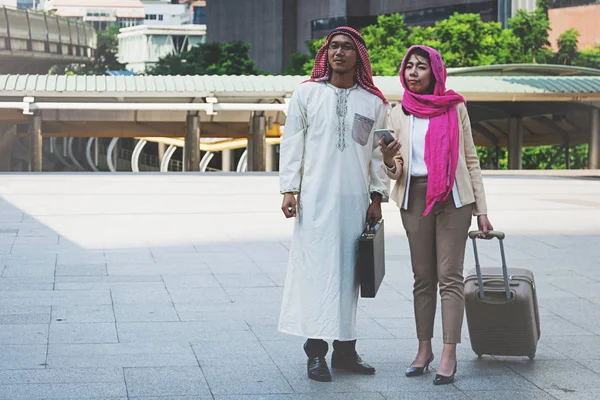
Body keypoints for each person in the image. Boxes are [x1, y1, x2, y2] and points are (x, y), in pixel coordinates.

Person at [278, 26, 390, 383]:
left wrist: (377, 197)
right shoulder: (307, 94)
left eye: (346, 47)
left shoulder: (374, 103)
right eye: (333, 47)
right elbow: (292, 143)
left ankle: (345, 351)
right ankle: (316, 354)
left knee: (349, 276)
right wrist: (289, 189)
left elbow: (376, 154)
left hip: (355, 203)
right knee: (316, 275)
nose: (338, 52)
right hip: (314, 200)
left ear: (359, 56)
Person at [380, 45, 494, 385]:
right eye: (409, 66)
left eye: (421, 67)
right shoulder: (398, 112)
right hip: (413, 196)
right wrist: (388, 158)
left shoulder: (454, 106)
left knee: (450, 276)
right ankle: (423, 349)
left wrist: (483, 210)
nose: (413, 72)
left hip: (453, 198)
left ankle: (449, 353)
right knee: (423, 277)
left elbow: (470, 159)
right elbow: (396, 169)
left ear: (435, 73)